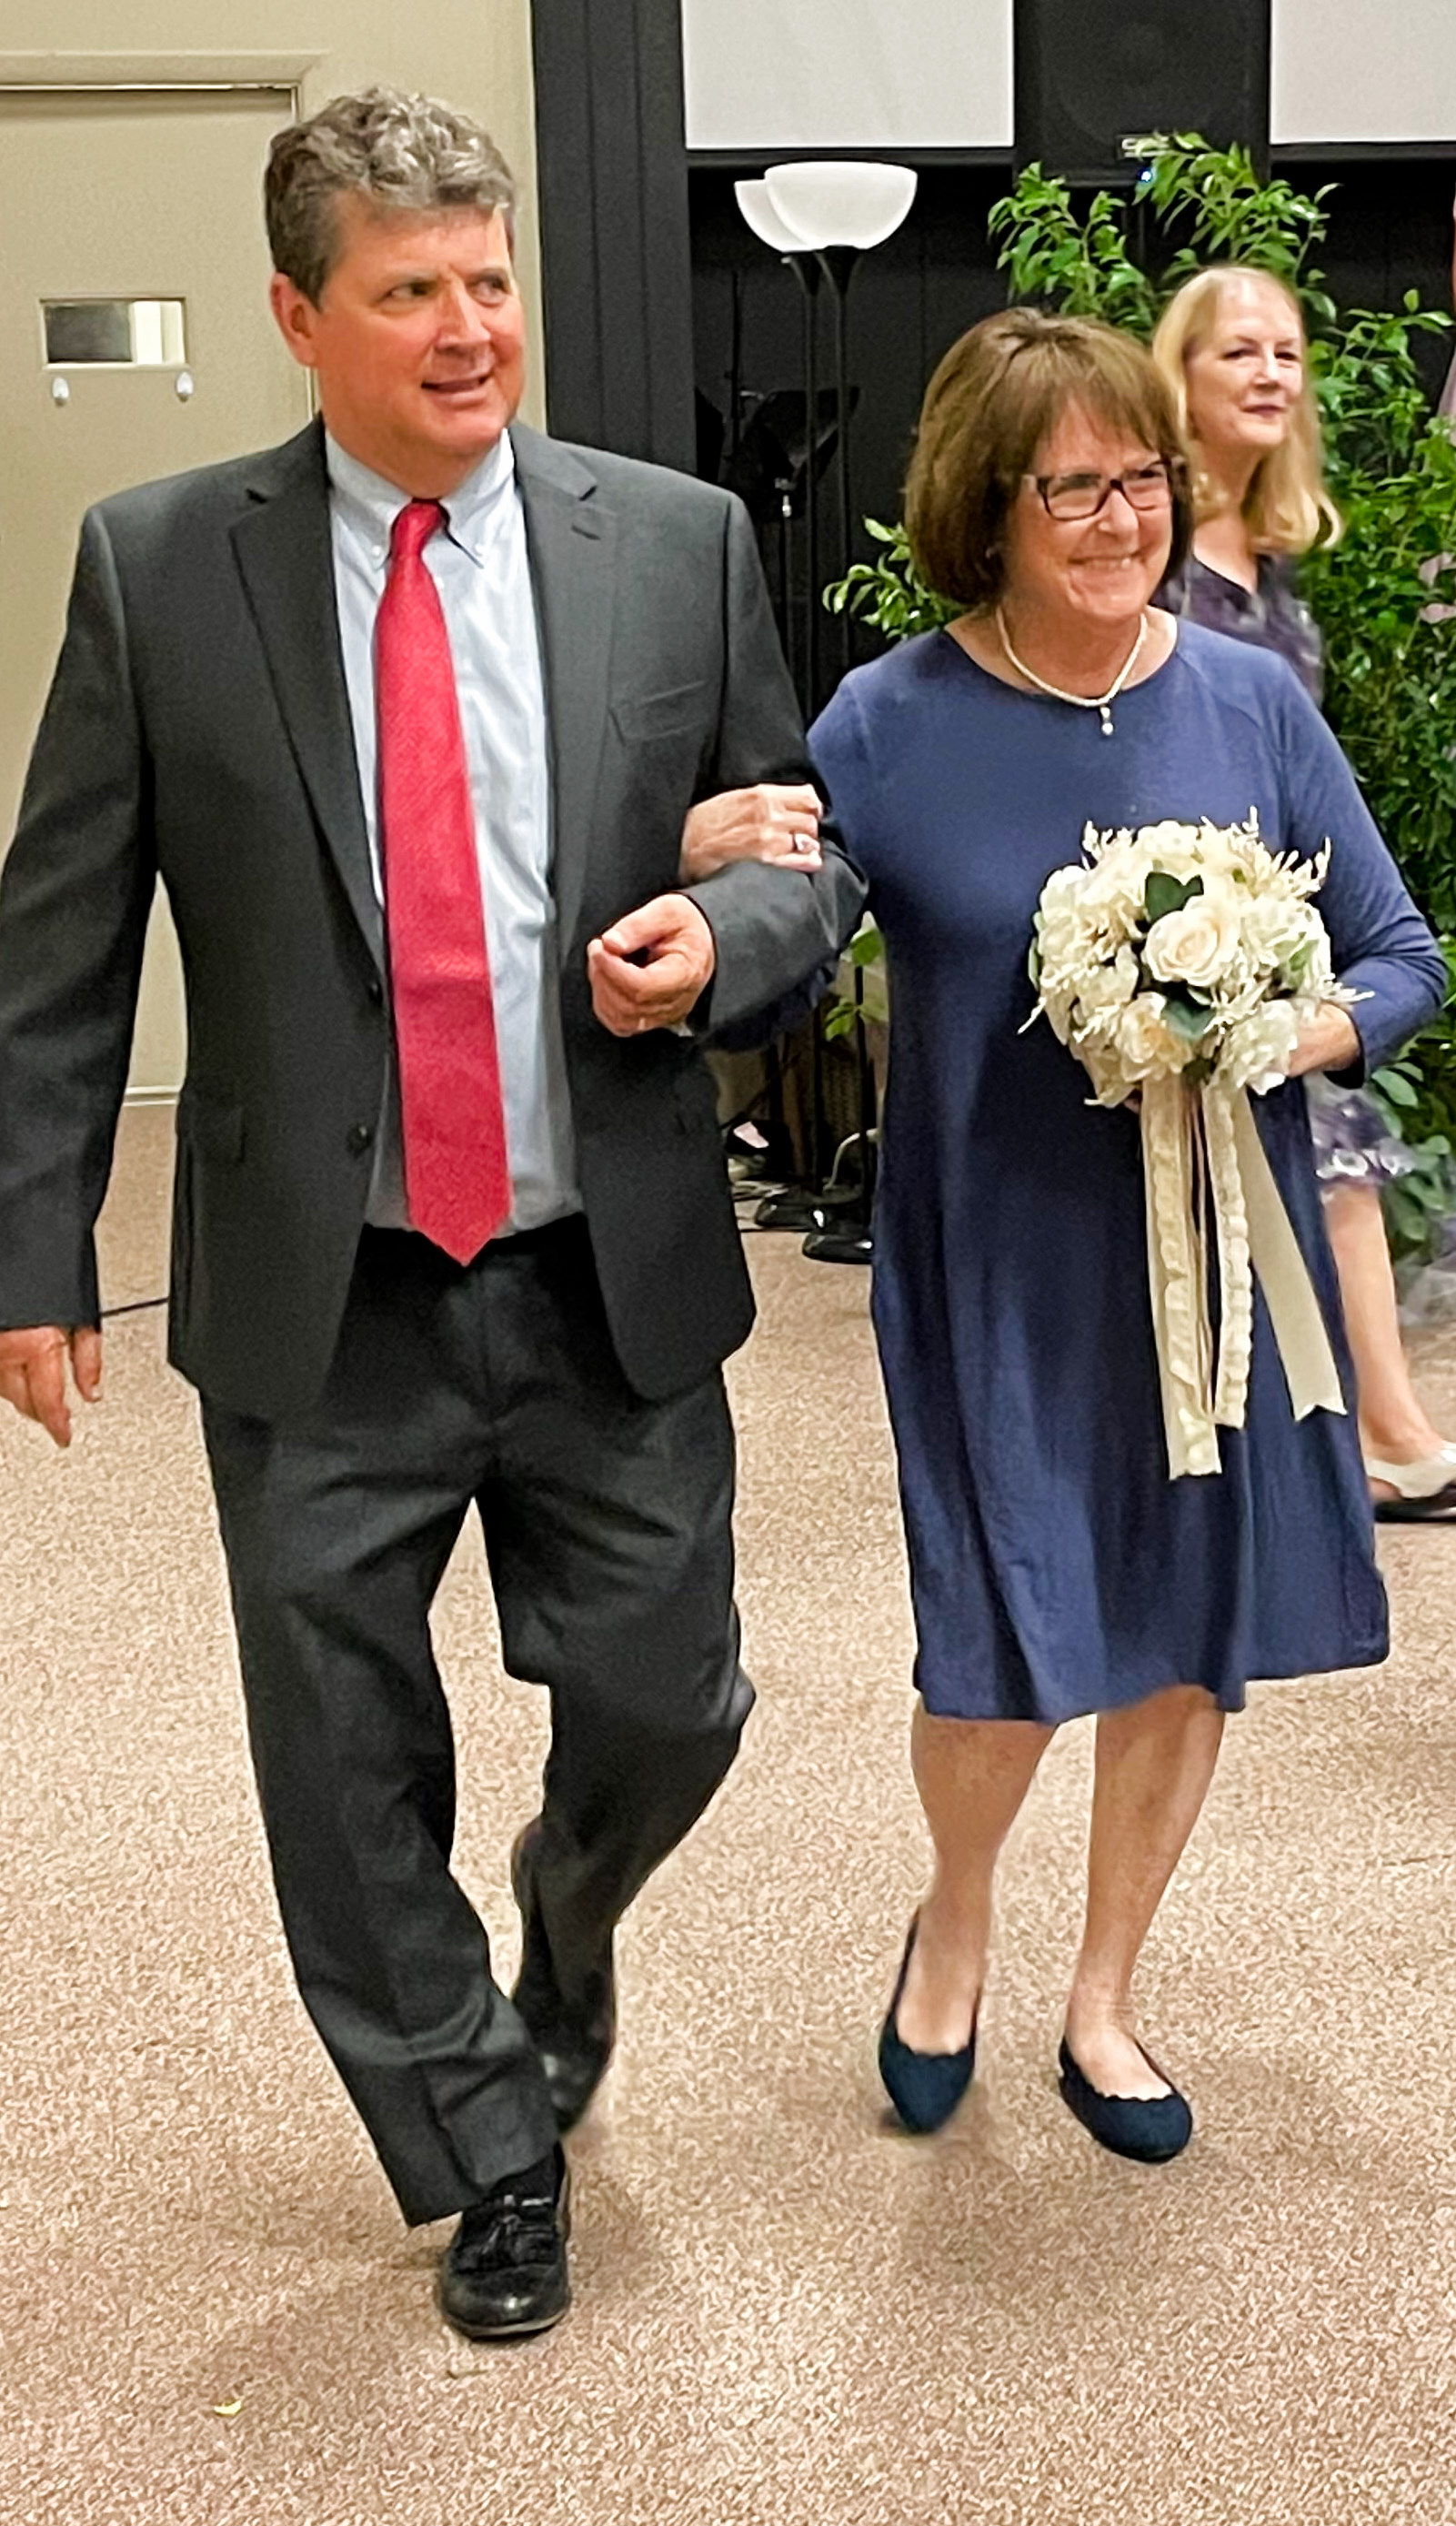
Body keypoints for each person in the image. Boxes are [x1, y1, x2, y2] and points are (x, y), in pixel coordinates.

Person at [0, 87, 862, 2340]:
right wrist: (28, 1244)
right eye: (413, 292)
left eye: (491, 280)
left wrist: (724, 938)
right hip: (326, 1292)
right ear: (302, 316)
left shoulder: (670, 541)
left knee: (674, 1695)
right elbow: (58, 943)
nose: (473, 327)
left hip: (602, 1259)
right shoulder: (158, 567)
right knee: (338, 1756)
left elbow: (796, 850)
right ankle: (490, 2138)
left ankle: (565, 1912)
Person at [802, 310, 1443, 2163]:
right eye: (1068, 486)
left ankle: (1103, 1996)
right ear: (984, 508)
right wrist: (709, 887)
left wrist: (1278, 1027)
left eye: (1139, 478)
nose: (1118, 518)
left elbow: (1400, 955)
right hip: (994, 1267)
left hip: (1220, 1271)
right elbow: (777, 929)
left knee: (1179, 1635)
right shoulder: (887, 723)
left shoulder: (1246, 703)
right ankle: (957, 1913)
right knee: (998, 1648)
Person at [1153, 266, 1456, 1521]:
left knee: (1342, 1167)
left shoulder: (1267, 557)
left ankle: (1380, 1428)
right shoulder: (1152, 548)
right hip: (1181, 922)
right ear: (1180, 377)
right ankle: (1377, 1430)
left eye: (1285, 353)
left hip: (1279, 921)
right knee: (1331, 1170)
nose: (1271, 373)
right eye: (1239, 352)